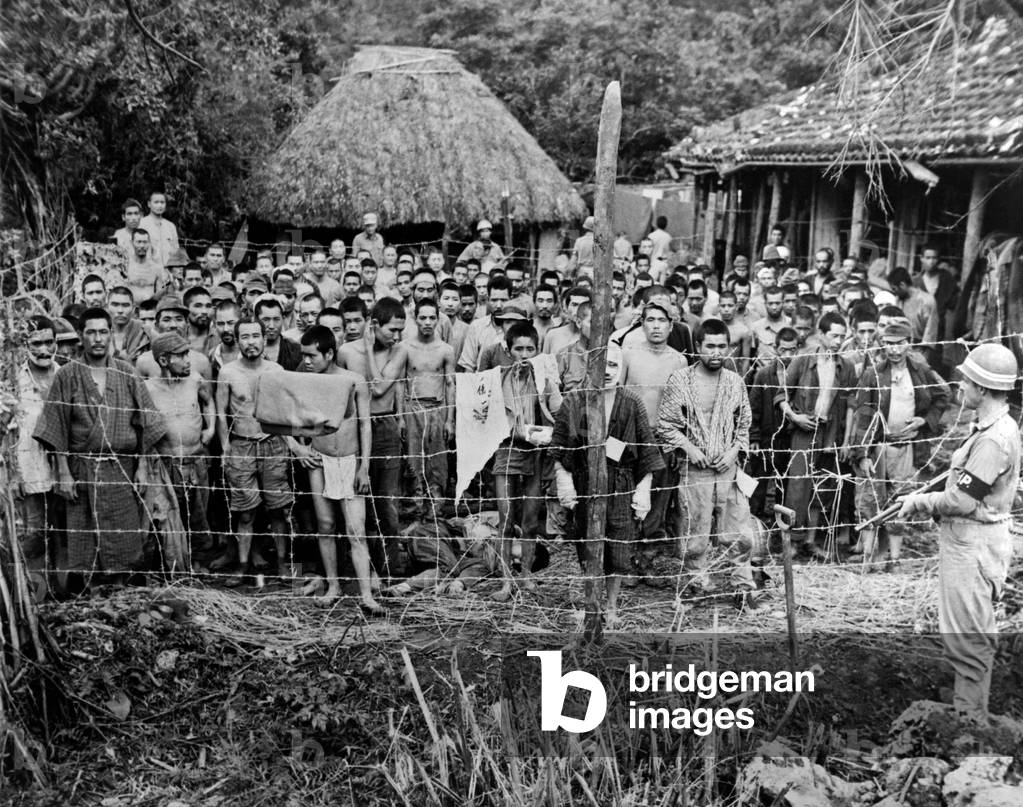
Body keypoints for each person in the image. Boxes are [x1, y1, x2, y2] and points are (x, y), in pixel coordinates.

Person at [898, 343, 1020, 718]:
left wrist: (921, 502)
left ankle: (969, 723)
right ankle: (970, 712)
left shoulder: (991, 440)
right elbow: (968, 487)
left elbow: (964, 502)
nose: (959, 386)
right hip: (974, 541)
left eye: (965, 380)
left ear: (982, 388)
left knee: (968, 639)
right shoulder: (995, 426)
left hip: (971, 543)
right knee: (972, 633)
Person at [34, 308, 166, 580]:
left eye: (103, 332)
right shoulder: (67, 374)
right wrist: (63, 472)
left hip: (122, 470)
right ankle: (90, 595)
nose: (97, 338)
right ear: (81, 336)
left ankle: (119, 592)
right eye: (91, 332)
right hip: (82, 470)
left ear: (110, 335)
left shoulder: (127, 373)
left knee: (123, 538)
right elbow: (56, 424)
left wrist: (142, 467)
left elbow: (147, 423)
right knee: (85, 538)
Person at [551, 342, 663, 624]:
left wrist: (644, 487)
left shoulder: (632, 402)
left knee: (619, 547)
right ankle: (592, 604)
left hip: (621, 483)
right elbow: (559, 448)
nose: (608, 372)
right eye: (602, 366)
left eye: (614, 365)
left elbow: (647, 449)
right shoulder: (574, 401)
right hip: (584, 482)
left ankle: (611, 606)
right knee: (587, 545)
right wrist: (564, 482)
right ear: (590, 368)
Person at [657, 318, 760, 608]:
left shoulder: (735, 382)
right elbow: (666, 424)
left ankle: (743, 587)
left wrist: (733, 452)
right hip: (695, 471)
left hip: (728, 471)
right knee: (694, 534)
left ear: (729, 348)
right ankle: (697, 585)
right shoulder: (681, 381)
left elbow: (744, 426)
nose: (716, 353)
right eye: (710, 346)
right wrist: (689, 448)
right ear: (698, 347)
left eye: (721, 347)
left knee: (739, 532)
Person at [294, 325, 381, 611]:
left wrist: (363, 467)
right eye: (303, 355)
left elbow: (365, 424)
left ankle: (367, 594)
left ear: (329, 353)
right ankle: (333, 586)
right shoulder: (303, 381)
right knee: (326, 525)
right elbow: (282, 415)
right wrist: (298, 448)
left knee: (356, 529)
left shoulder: (353, 380)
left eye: (311, 356)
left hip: (350, 459)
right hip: (319, 461)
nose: (306, 361)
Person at [850, 319, 950, 569]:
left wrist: (924, 421)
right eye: (889, 344)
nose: (894, 350)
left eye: (900, 344)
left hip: (906, 448)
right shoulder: (873, 373)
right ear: (882, 345)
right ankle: (868, 559)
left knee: (900, 500)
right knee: (868, 501)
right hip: (877, 447)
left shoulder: (921, 371)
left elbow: (942, 396)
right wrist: (862, 452)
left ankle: (894, 559)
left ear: (909, 344)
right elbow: (863, 415)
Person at [215, 318, 294, 586]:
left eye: (256, 336)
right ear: (237, 341)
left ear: (264, 339)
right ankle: (242, 566)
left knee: (278, 509)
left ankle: (283, 564)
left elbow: (284, 413)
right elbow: (220, 413)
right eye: (245, 336)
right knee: (245, 512)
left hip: (273, 443)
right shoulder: (228, 372)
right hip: (241, 445)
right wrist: (226, 449)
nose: (251, 342)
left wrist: (290, 445)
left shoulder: (276, 369)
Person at [337, 299, 409, 577]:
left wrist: (369, 350)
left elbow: (379, 388)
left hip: (385, 428)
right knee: (356, 501)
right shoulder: (345, 351)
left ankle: (390, 568)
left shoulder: (400, 350)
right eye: (392, 329)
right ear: (375, 325)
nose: (397, 336)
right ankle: (360, 571)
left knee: (387, 505)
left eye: (401, 330)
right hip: (354, 429)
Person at [490, 322, 561, 602]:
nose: (523, 354)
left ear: (537, 350)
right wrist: (518, 431)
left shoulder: (544, 379)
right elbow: (489, 418)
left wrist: (551, 429)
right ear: (508, 350)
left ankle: (527, 575)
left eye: (529, 349)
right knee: (506, 518)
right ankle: (506, 582)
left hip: (536, 453)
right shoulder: (497, 379)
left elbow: (558, 410)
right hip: (507, 452)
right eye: (518, 348)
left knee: (531, 519)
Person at [779, 312, 857, 557]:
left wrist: (845, 441)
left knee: (822, 487)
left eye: (842, 337)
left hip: (830, 433)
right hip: (804, 430)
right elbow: (781, 395)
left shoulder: (845, 366)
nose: (838, 341)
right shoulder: (803, 361)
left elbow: (851, 405)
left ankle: (812, 541)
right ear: (821, 334)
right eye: (834, 335)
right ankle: (792, 541)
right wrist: (795, 417)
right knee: (798, 486)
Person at [620, 302, 687, 568]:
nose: (656, 325)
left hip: (662, 439)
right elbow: (618, 394)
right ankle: (624, 558)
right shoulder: (629, 353)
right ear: (642, 324)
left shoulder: (678, 360)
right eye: (650, 320)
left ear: (671, 325)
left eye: (662, 320)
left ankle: (646, 558)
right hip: (631, 438)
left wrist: (674, 444)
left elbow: (681, 406)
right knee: (626, 497)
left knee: (659, 499)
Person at [145, 332, 216, 557]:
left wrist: (211, 428)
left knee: (199, 514)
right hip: (167, 466)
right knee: (172, 517)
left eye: (188, 354)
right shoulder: (148, 388)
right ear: (164, 360)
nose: (188, 360)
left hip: (197, 460)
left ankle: (199, 562)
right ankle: (175, 564)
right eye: (181, 356)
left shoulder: (195, 380)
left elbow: (208, 401)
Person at [13, 316, 58, 569]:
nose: (43, 350)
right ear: (25, 346)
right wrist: (11, 474)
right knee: (34, 534)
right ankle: (37, 595)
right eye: (36, 343)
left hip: (64, 472)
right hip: (29, 470)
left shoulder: (65, 375)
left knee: (62, 532)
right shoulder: (14, 381)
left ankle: (63, 592)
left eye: (49, 342)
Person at [404, 299, 456, 518]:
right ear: (415, 318)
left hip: (437, 408)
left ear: (438, 318)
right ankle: (415, 511)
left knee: (437, 462)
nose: (427, 322)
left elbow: (450, 384)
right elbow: (400, 382)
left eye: (431, 317)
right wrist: (400, 417)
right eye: (422, 317)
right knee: (412, 461)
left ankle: (434, 512)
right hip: (412, 408)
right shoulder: (406, 347)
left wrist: (449, 420)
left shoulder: (445, 350)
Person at [748, 326, 798, 521]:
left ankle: (781, 523)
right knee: (760, 481)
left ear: (798, 350)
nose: (787, 355)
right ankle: (755, 520)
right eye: (783, 349)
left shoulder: (800, 375)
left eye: (792, 350)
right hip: (767, 438)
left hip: (789, 438)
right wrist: (754, 437)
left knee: (784, 483)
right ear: (776, 349)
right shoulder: (764, 375)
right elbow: (753, 407)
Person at [136, 295, 213, 380]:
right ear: (157, 325)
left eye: (179, 319)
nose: (173, 325)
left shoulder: (201, 362)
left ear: (187, 324)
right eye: (166, 320)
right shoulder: (144, 362)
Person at [458, 275, 512, 371]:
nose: (498, 305)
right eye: (494, 300)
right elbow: (468, 367)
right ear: (488, 299)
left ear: (511, 299)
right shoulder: (477, 326)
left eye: (503, 300)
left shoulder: (519, 328)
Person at [888, 266, 939, 364]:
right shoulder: (898, 300)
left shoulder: (926, 301)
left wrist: (923, 358)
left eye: (894, 289)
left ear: (902, 285)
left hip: (920, 349)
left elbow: (930, 332)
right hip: (900, 348)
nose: (894, 293)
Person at [542, 286, 592, 356]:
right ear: (565, 307)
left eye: (583, 305)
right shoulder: (552, 335)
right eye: (574, 305)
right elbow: (544, 363)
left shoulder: (593, 338)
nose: (578, 309)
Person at [254, 297, 301, 371]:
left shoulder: (295, 349)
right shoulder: (249, 348)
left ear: (283, 319)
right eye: (266, 320)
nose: (271, 326)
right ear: (256, 320)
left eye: (276, 319)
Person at [126, 229, 171, 304]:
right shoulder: (126, 266)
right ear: (132, 242)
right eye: (139, 242)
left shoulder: (156, 268)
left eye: (145, 242)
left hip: (150, 309)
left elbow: (159, 293)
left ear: (149, 243)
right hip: (130, 308)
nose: (142, 246)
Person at [106, 285, 150, 363]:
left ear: (133, 308)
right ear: (107, 306)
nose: (120, 310)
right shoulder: (99, 331)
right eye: (115, 305)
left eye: (125, 305)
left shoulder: (145, 331)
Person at [139, 191, 180, 270]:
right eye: (156, 202)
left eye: (162, 202)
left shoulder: (170, 226)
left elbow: (176, 250)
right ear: (149, 204)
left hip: (168, 271)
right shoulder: (141, 224)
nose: (159, 205)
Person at [717, 290, 753, 376]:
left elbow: (745, 359)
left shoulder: (743, 331)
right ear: (718, 307)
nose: (726, 309)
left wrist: (743, 380)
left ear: (736, 307)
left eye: (730, 306)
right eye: (723, 306)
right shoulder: (712, 326)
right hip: (712, 374)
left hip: (733, 375)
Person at [751, 286, 788, 365]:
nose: (774, 307)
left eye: (777, 303)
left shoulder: (791, 324)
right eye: (770, 303)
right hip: (763, 374)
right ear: (765, 304)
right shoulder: (756, 327)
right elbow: (751, 356)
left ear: (783, 303)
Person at [184, 286, 215, 354]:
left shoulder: (219, 337)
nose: (204, 311)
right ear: (186, 309)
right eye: (198, 306)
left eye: (208, 306)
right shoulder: (179, 338)